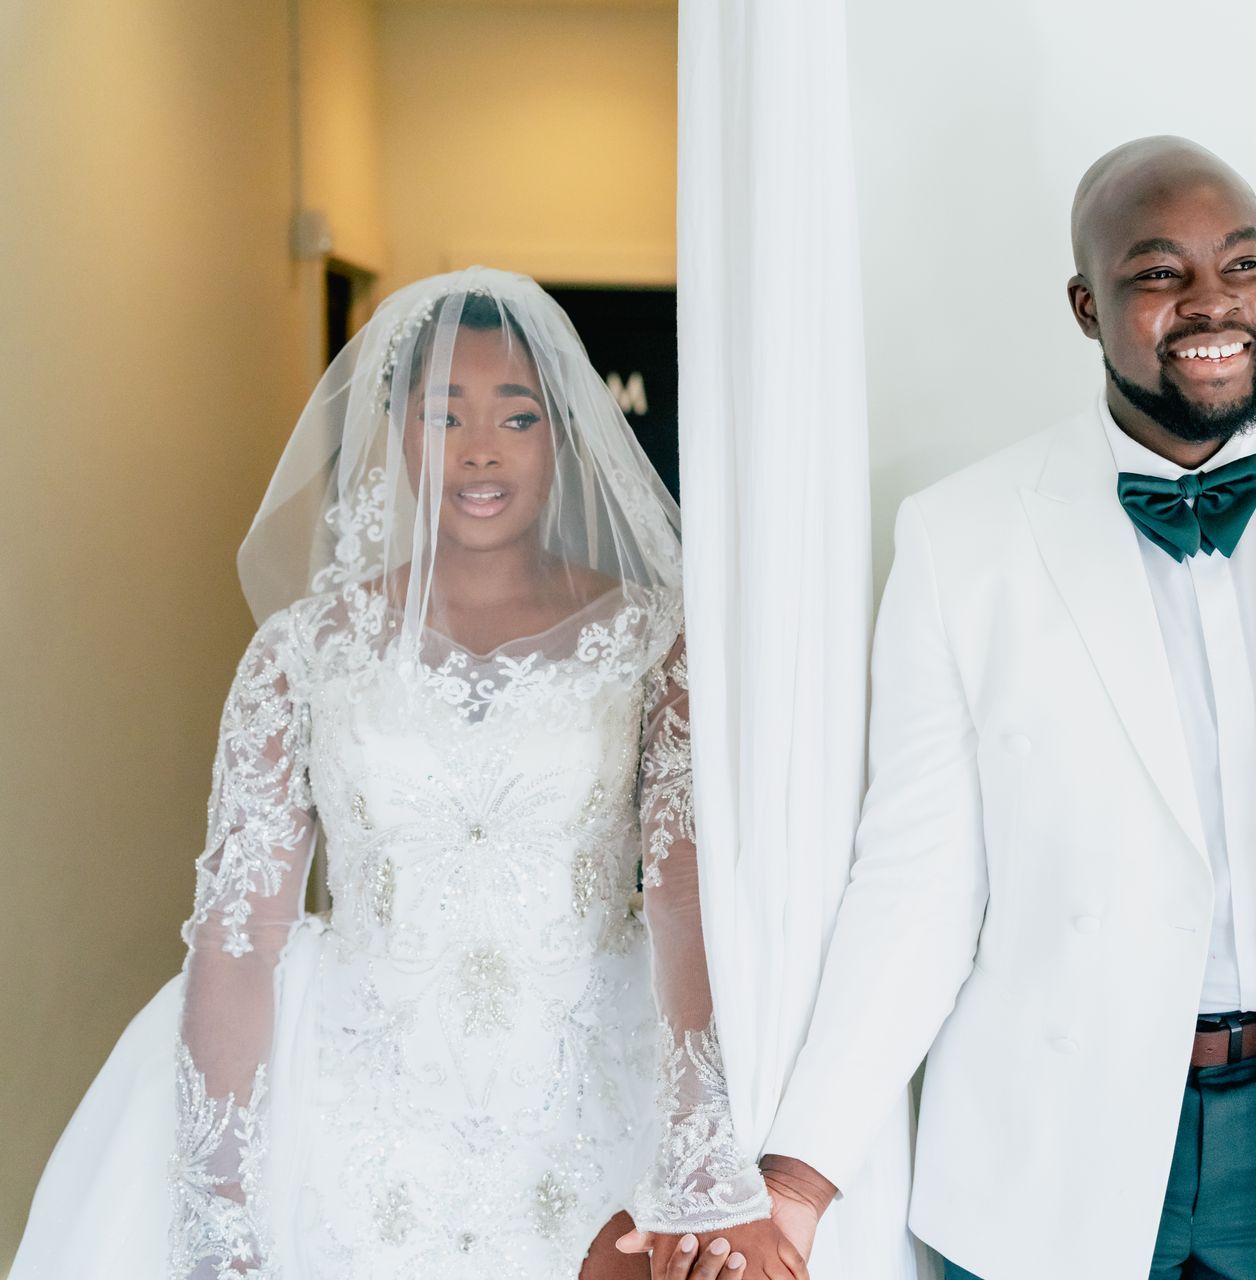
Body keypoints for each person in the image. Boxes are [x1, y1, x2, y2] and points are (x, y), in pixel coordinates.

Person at [726, 138, 1256, 1278]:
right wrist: (798, 1176)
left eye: (1241, 263)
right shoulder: (962, 542)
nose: (1213, 303)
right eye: (1158, 273)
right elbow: (918, 878)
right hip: (1050, 1130)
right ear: (1086, 305)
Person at [12, 268, 807, 1280]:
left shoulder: (652, 642)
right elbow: (237, 932)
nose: (480, 448)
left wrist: (699, 1133)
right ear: (397, 436)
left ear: (561, 434)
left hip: (586, 1098)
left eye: (517, 415)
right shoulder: (300, 652)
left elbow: (685, 896)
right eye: (444, 415)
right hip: (345, 1105)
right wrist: (220, 1215)